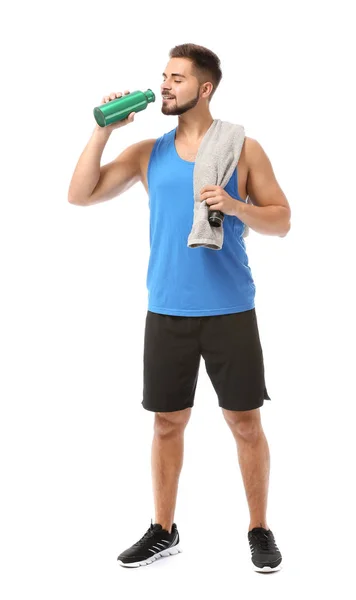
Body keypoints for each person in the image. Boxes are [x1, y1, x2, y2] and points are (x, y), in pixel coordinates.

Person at [68, 43, 291, 573]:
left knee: (244, 422)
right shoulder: (148, 152)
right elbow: (80, 194)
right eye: (162, 77)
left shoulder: (243, 149)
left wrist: (236, 206)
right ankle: (164, 530)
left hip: (230, 309)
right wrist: (103, 131)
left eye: (177, 78)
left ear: (205, 88)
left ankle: (259, 528)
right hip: (166, 309)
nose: (164, 85)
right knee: (167, 423)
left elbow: (281, 220)